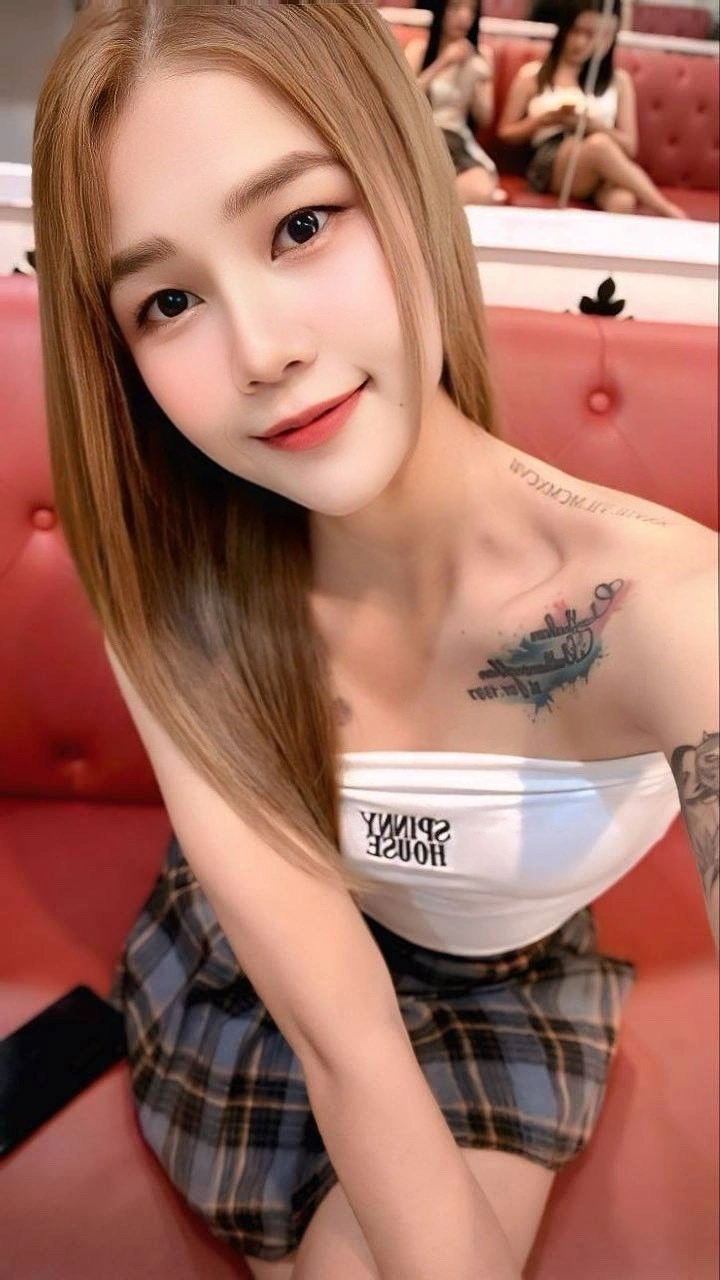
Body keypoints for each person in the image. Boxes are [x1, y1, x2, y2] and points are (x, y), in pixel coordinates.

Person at [32, 3, 716, 1279]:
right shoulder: (167, 563)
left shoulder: (670, 611)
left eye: (301, 225)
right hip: (242, 964)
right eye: (169, 299)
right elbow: (341, 1039)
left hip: (501, 984)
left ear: (409, 179)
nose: (265, 351)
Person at [497, 0, 687, 216]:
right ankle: (667, 211)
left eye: (592, 35)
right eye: (576, 31)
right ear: (564, 29)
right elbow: (505, 133)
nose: (580, 42)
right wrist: (545, 120)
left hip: (604, 163)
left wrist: (591, 125)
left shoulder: (619, 82)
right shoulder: (533, 75)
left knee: (622, 200)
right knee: (599, 146)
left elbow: (629, 147)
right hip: (552, 160)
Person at [404, 0, 507, 205]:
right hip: (424, 136)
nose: (464, 17)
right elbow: (404, 101)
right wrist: (443, 62)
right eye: (456, 8)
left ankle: (443, 204)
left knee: (481, 188)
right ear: (442, 10)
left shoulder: (482, 56)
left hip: (457, 140)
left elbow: (484, 118)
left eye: (471, 10)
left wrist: (479, 81)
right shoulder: (419, 50)